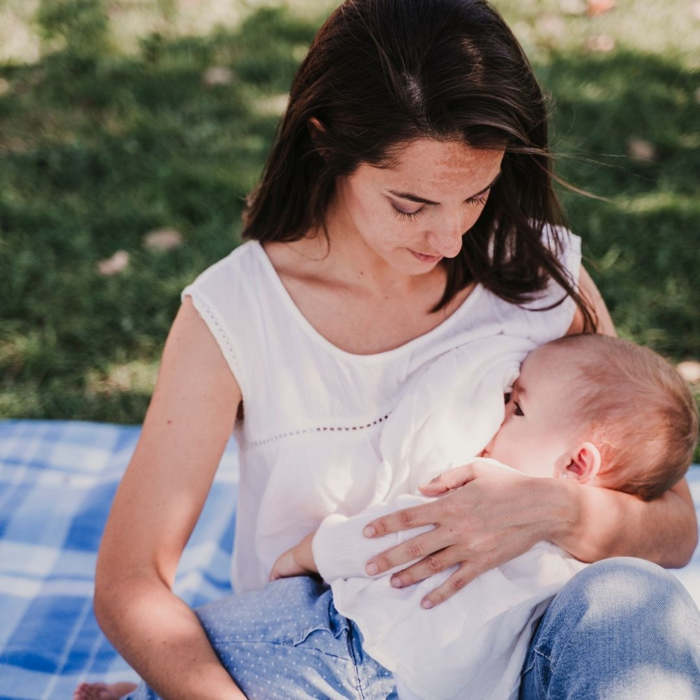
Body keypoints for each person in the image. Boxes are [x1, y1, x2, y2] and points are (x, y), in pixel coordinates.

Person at [75, 1, 699, 699]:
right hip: (333, 667)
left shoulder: (541, 277)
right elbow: (131, 583)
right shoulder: (237, 313)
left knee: (637, 601)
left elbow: (674, 526)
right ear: (327, 145)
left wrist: (560, 512)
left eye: (477, 196)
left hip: (529, 661)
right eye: (411, 204)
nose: (453, 239)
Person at [252, 333, 697, 700]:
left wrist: (306, 553)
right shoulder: (580, 567)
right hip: (404, 680)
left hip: (344, 647)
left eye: (517, 407)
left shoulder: (491, 495)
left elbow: (390, 532)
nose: (498, 414)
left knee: (226, 639)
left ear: (577, 465)